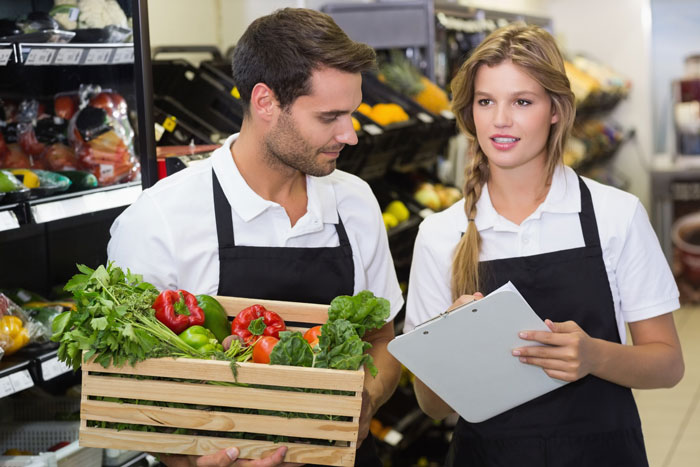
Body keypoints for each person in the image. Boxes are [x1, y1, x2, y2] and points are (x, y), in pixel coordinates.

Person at [107, 8, 403, 467]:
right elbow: (130, 386)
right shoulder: (160, 220)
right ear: (265, 102)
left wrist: (367, 400)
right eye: (330, 117)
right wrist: (188, 463)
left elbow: (384, 338)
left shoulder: (355, 201)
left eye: (352, 114)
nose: (351, 135)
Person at [404, 23, 685, 466]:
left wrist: (594, 356)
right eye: (485, 101)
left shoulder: (615, 215)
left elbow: (668, 365)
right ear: (469, 111)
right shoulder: (440, 234)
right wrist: (452, 344)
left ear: (555, 110)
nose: (500, 120)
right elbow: (432, 405)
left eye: (522, 101)